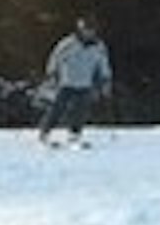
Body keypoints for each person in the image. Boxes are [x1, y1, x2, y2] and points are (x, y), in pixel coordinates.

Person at [36, 16, 113, 146]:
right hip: (67, 82)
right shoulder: (68, 43)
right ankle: (45, 132)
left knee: (80, 111)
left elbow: (103, 64)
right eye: (86, 30)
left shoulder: (99, 46)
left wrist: (105, 79)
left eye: (91, 30)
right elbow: (55, 57)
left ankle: (75, 134)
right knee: (57, 109)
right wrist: (51, 72)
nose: (89, 33)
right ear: (80, 30)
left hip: (85, 83)